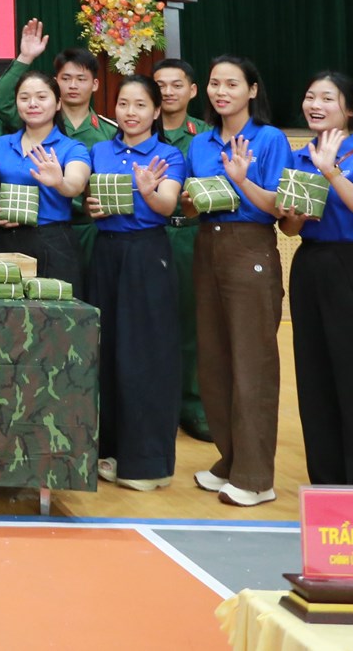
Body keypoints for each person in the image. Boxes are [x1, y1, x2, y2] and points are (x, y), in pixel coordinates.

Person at [281, 70, 353, 486]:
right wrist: (294, 217)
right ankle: (327, 482)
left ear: (349, 110)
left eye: (327, 98)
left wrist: (331, 173)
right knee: (315, 375)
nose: (315, 105)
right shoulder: (297, 157)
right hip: (310, 266)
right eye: (310, 97)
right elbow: (289, 229)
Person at [188, 55, 292, 507]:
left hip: (250, 247)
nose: (221, 91)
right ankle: (230, 460)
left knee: (253, 365)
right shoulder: (201, 142)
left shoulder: (270, 139)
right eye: (215, 83)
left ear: (252, 90)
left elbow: (280, 208)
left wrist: (242, 181)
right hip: (206, 245)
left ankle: (256, 477)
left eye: (232, 84)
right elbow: (192, 200)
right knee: (214, 362)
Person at [83, 75, 186, 490]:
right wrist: (93, 207)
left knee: (145, 356)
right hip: (106, 253)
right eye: (124, 104)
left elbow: (167, 205)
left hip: (146, 253)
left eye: (141, 105)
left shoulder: (168, 155)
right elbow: (91, 201)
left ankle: (148, 464)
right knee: (107, 352)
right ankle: (110, 452)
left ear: (156, 111)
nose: (130, 112)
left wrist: (148, 192)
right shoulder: (99, 150)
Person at [153, 56, 212, 441]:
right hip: (150, 234)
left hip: (192, 235)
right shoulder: (137, 129)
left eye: (177, 85)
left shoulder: (206, 136)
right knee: (151, 323)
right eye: (160, 85)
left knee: (194, 323)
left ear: (192, 90)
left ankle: (193, 404)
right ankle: (157, 404)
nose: (168, 92)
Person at [0, 72, 90, 286]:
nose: (32, 104)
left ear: (58, 103)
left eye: (42, 97)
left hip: (53, 241)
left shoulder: (72, 148)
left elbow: (76, 185)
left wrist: (59, 182)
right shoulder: (0, 144)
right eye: (24, 98)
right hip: (8, 239)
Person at [52, 46, 118, 274]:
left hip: (95, 229)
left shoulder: (110, 132)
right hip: (49, 227)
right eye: (66, 78)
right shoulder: (42, 127)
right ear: (55, 82)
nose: (73, 85)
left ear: (95, 84)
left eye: (81, 79)